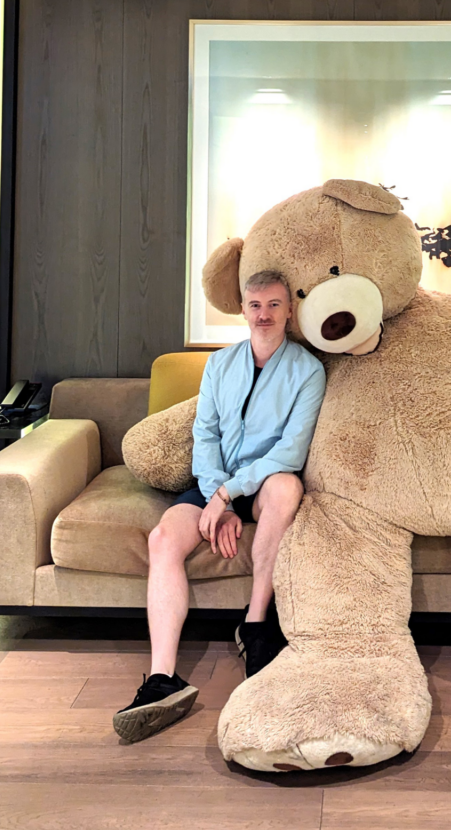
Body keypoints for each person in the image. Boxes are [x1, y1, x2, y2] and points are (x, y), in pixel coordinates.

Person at [113, 269, 326, 743]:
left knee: (287, 486)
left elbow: (290, 452)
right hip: (216, 487)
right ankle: (162, 679)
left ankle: (255, 628)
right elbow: (204, 435)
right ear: (243, 310)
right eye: (255, 305)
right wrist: (215, 495)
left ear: (290, 311)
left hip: (265, 483)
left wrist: (232, 495)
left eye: (274, 305)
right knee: (163, 537)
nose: (264, 315)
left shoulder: (308, 370)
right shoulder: (220, 365)